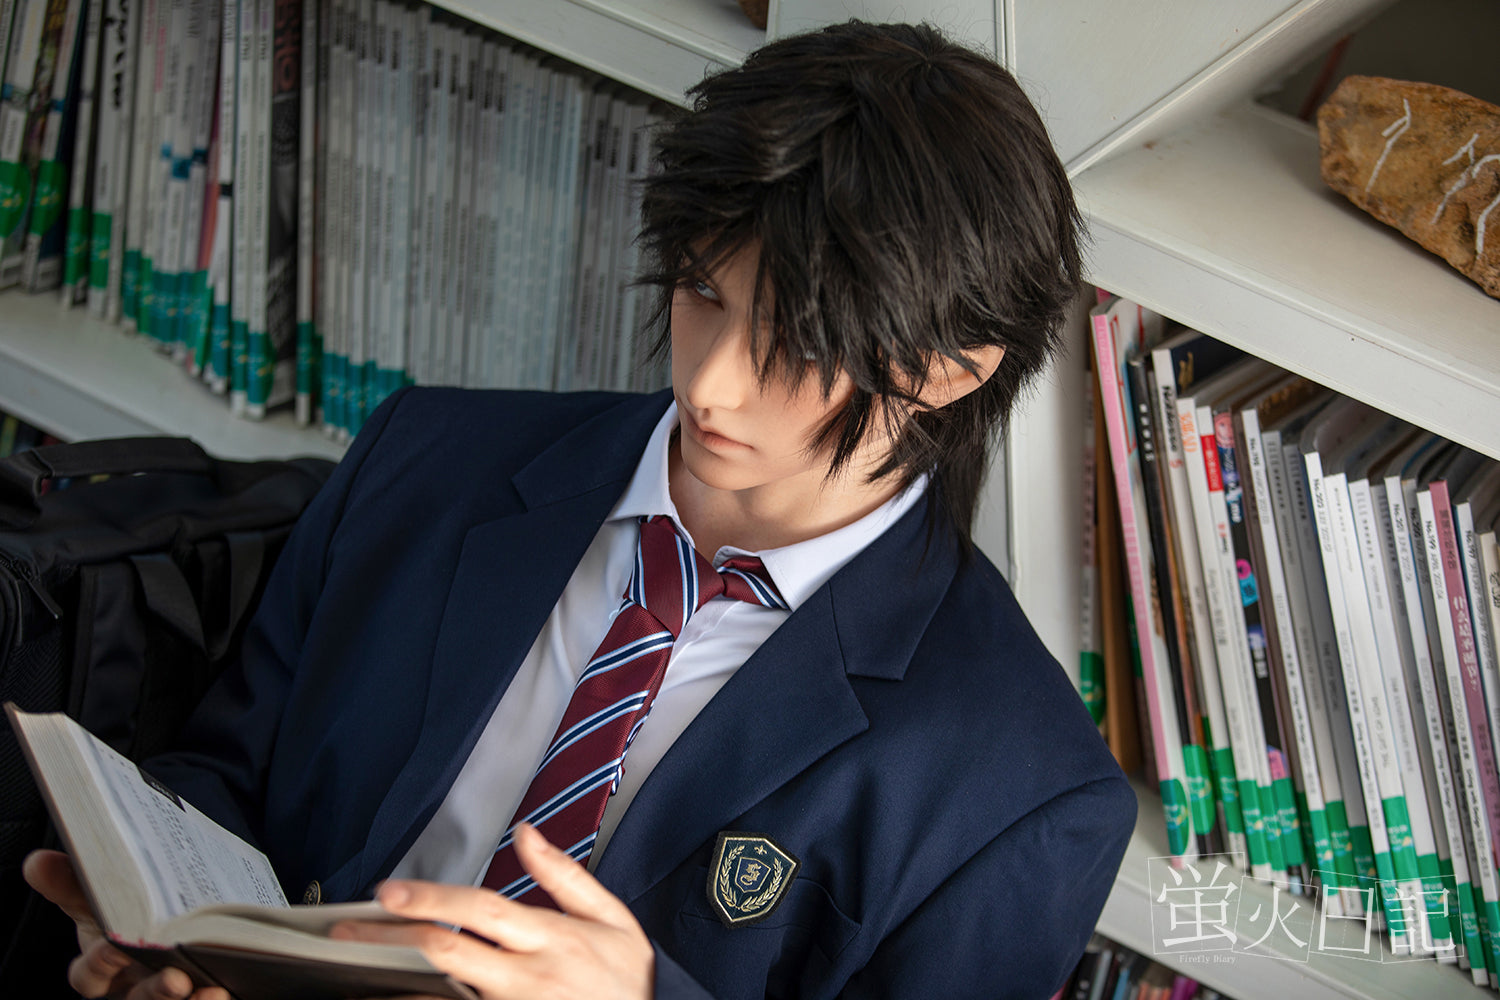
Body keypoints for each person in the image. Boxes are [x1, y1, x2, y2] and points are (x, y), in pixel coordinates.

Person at [26, 19, 1135, 1000]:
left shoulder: (1022, 788)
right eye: (701, 292)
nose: (710, 382)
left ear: (949, 368)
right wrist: (169, 938)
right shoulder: (429, 455)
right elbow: (229, 773)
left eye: (796, 341)